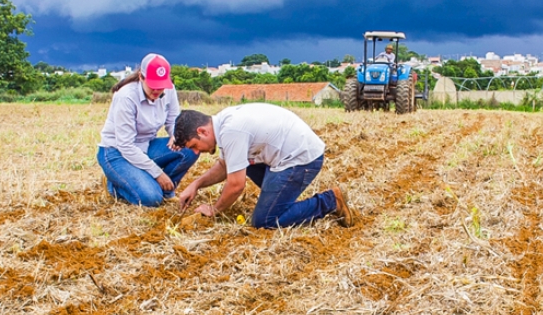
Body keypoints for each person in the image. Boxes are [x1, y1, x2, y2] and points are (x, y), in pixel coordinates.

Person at [173, 103, 353, 229]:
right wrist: (196, 184)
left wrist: (214, 209)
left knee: (265, 220)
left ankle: (330, 201)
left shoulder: (231, 131)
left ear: (202, 132)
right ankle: (280, 200)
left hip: (302, 159)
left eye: (194, 146)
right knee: (241, 163)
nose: (196, 152)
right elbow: (225, 166)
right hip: (285, 156)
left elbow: (236, 185)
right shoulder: (224, 122)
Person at [97, 53, 199, 207]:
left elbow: (173, 121)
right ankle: (115, 185)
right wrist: (158, 173)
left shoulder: (169, 91)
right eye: (153, 85)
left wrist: (176, 136)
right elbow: (125, 145)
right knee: (151, 199)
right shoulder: (126, 97)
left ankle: (164, 191)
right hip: (117, 152)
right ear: (141, 77)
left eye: (161, 85)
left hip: (146, 146)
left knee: (190, 148)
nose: (157, 90)